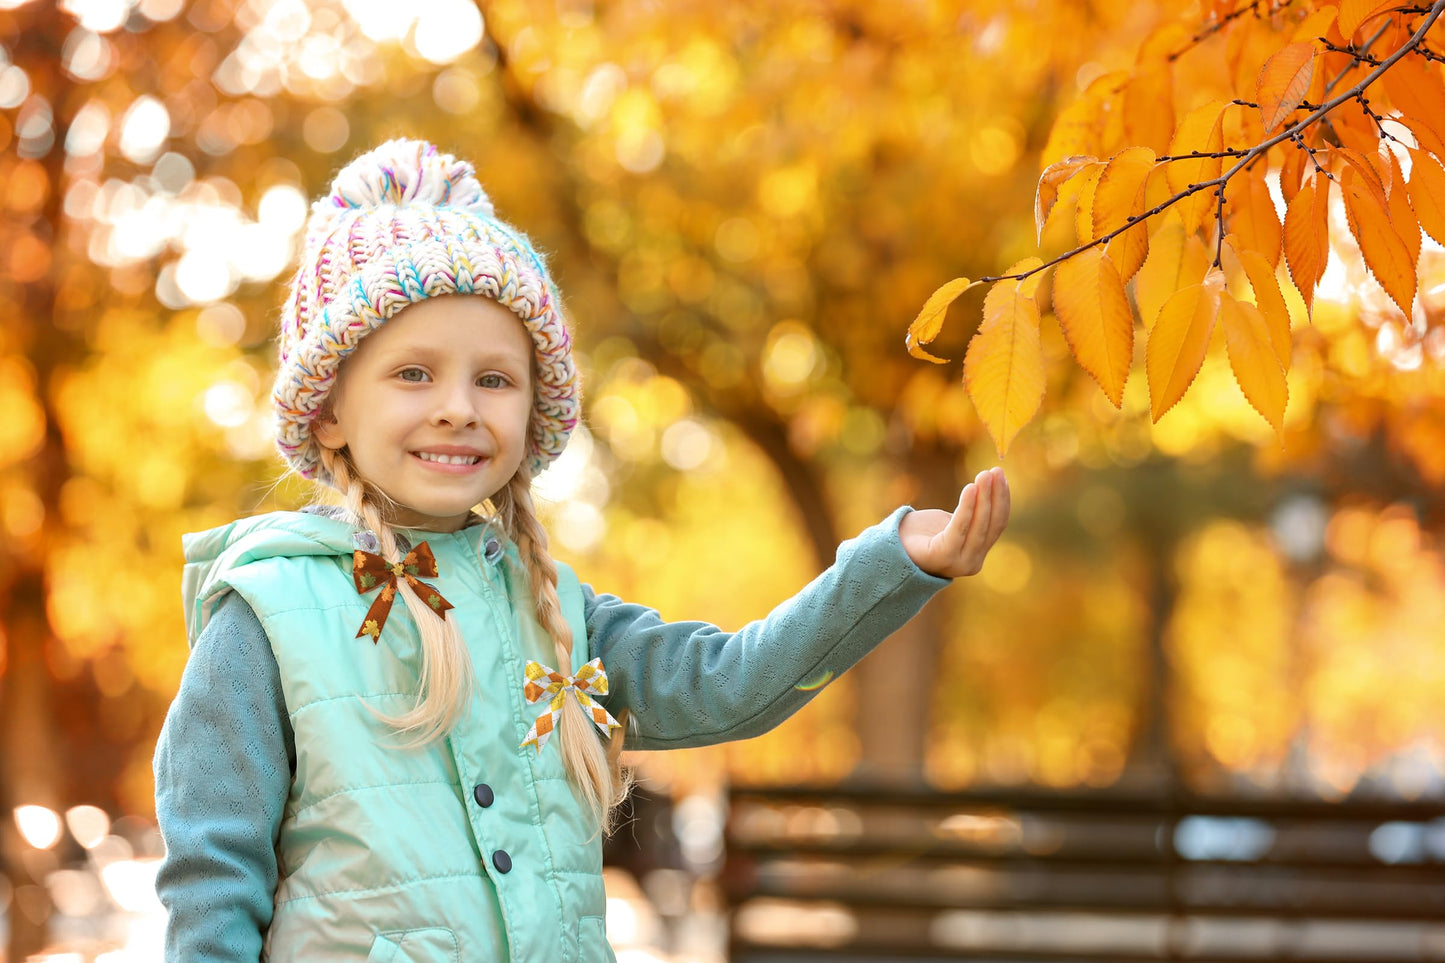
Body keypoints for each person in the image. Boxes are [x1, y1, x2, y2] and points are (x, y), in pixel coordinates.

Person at [153, 138, 1011, 962]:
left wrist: (893, 564)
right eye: (413, 373)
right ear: (330, 410)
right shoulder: (267, 614)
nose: (458, 407)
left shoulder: (556, 610)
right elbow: (214, 877)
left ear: (532, 413)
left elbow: (731, 685)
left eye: (493, 379)